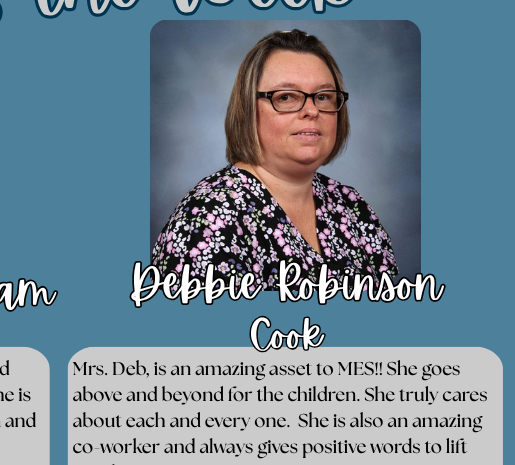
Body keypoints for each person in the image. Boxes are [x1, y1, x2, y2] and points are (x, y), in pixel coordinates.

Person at [152, 29, 397, 289]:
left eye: (323, 96)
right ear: (248, 110)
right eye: (286, 97)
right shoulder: (207, 217)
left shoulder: (353, 207)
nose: (312, 111)